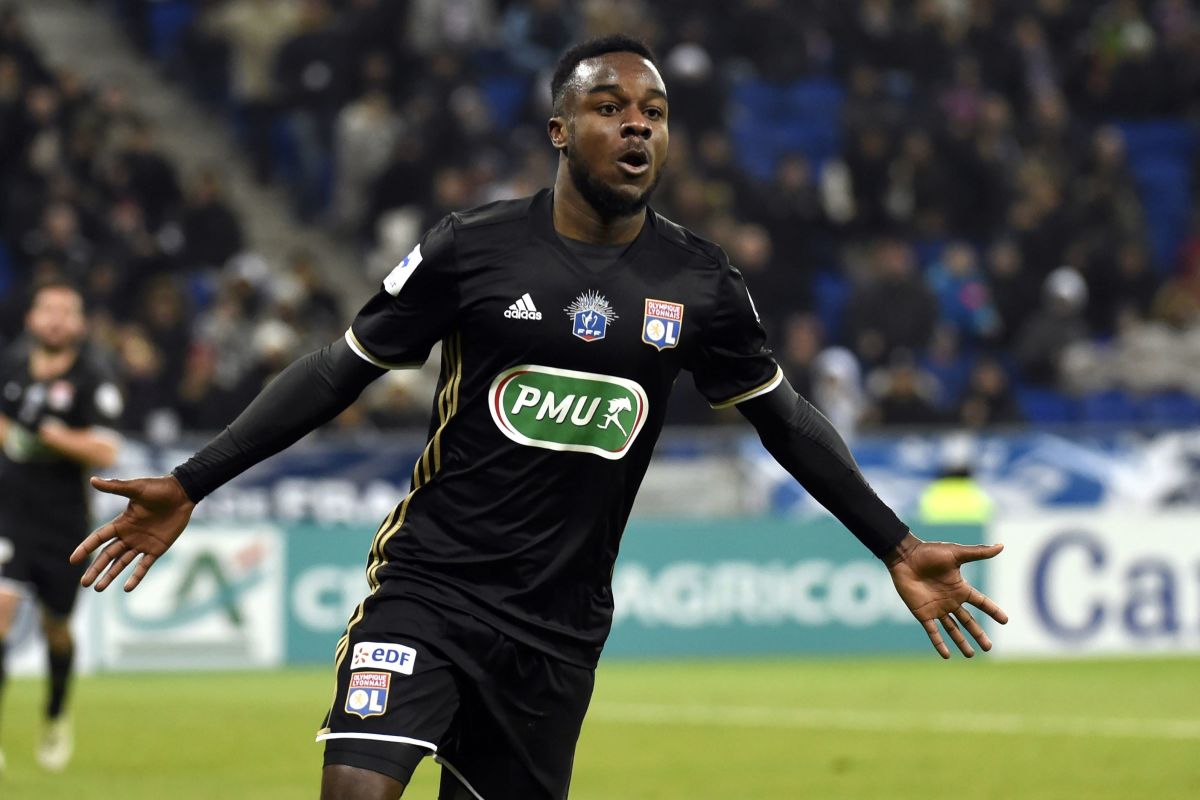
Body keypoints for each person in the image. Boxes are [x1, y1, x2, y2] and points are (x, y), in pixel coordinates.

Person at [72, 36, 1008, 800]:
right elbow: (335, 371)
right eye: (611, 108)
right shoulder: (471, 249)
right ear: (560, 129)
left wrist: (893, 541)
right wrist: (192, 481)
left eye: (654, 112)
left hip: (558, 630)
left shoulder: (701, 284)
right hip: (429, 589)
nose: (637, 126)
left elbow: (786, 421)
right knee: (355, 795)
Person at [0, 280, 123, 774]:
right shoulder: (11, 363)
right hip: (9, 516)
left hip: (65, 525)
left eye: (64, 311)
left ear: (78, 323)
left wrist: (50, 437)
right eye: (46, 309)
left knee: (57, 630)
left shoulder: (94, 376)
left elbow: (107, 449)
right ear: (32, 318)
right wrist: (13, 438)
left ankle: (54, 713)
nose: (54, 319)